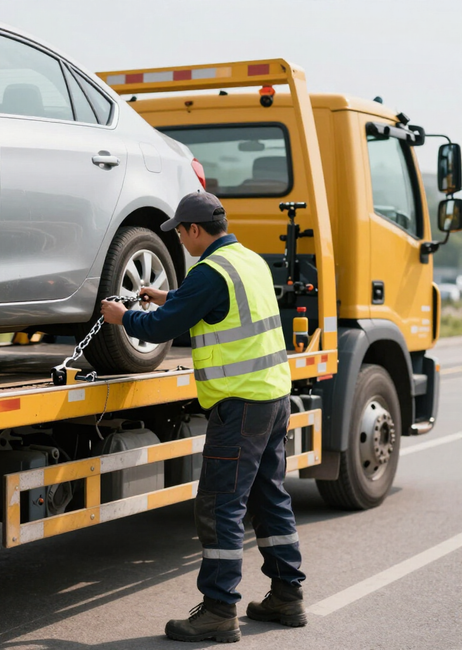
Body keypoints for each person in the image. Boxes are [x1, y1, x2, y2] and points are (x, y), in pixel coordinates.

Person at [100, 192, 306, 643]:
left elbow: (158, 328)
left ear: (195, 230)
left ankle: (218, 610)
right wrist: (168, 295)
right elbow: (213, 303)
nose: (179, 238)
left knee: (220, 505)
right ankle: (287, 596)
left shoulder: (209, 271)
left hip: (240, 405)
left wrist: (123, 316)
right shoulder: (245, 260)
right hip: (272, 398)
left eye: (180, 231)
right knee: (269, 497)